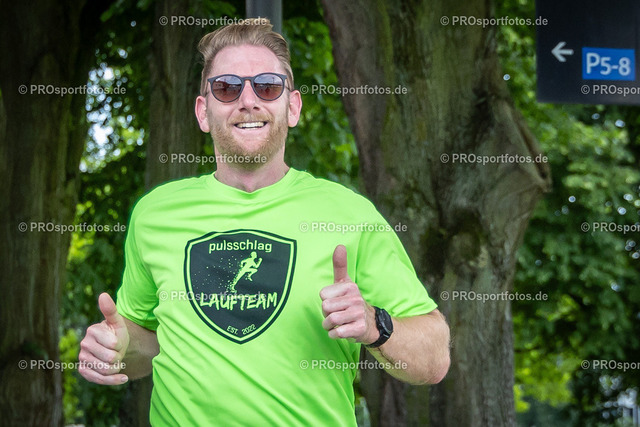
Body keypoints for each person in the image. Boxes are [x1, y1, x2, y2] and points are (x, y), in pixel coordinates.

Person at [79, 18, 450, 426]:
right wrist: (118, 346)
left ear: (292, 107)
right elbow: (149, 345)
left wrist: (374, 325)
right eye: (226, 87)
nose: (248, 100)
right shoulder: (155, 214)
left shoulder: (350, 214)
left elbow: (434, 360)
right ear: (203, 112)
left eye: (268, 86)